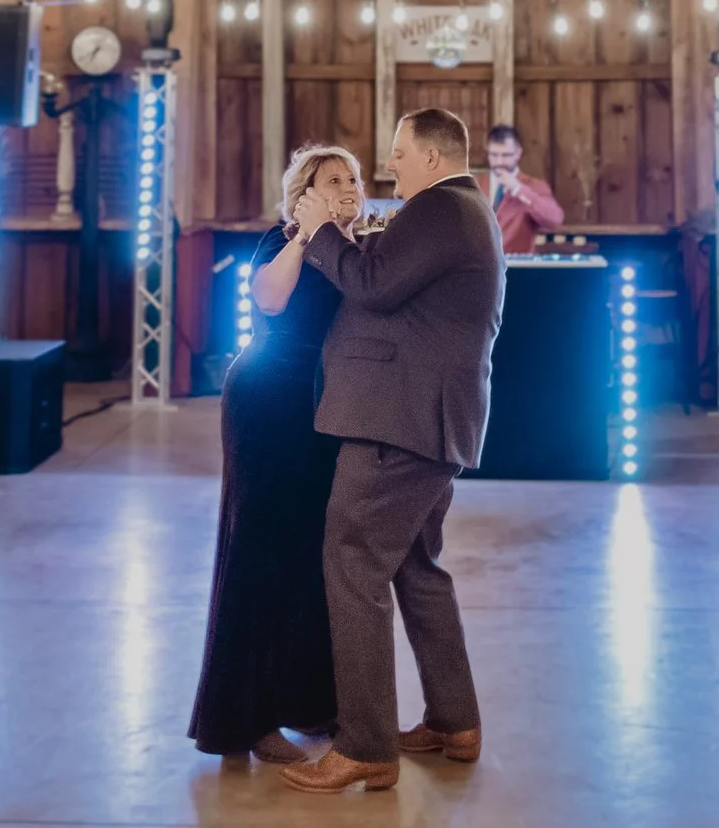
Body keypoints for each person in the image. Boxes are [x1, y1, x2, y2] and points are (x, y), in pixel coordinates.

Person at [254, 107, 504, 795]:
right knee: (417, 568)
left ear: (430, 155)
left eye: (398, 152)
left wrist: (320, 228)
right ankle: (456, 721)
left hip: (399, 424)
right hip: (425, 423)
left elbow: (370, 283)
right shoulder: (460, 211)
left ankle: (365, 744)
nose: (390, 166)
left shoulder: (438, 209)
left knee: (352, 561)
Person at [187, 144, 364, 764]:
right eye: (330, 180)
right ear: (303, 193)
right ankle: (248, 721)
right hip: (266, 403)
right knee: (258, 552)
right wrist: (306, 233)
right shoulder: (281, 239)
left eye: (351, 179)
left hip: (321, 414)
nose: (345, 187)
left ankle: (310, 702)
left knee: (311, 556)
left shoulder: (357, 251)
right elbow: (268, 300)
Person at [484, 123, 565, 256]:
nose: (499, 162)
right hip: (478, 270)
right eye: (494, 155)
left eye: (506, 155)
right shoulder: (473, 184)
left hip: (517, 267)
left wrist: (518, 188)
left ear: (518, 153)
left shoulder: (534, 186)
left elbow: (555, 220)